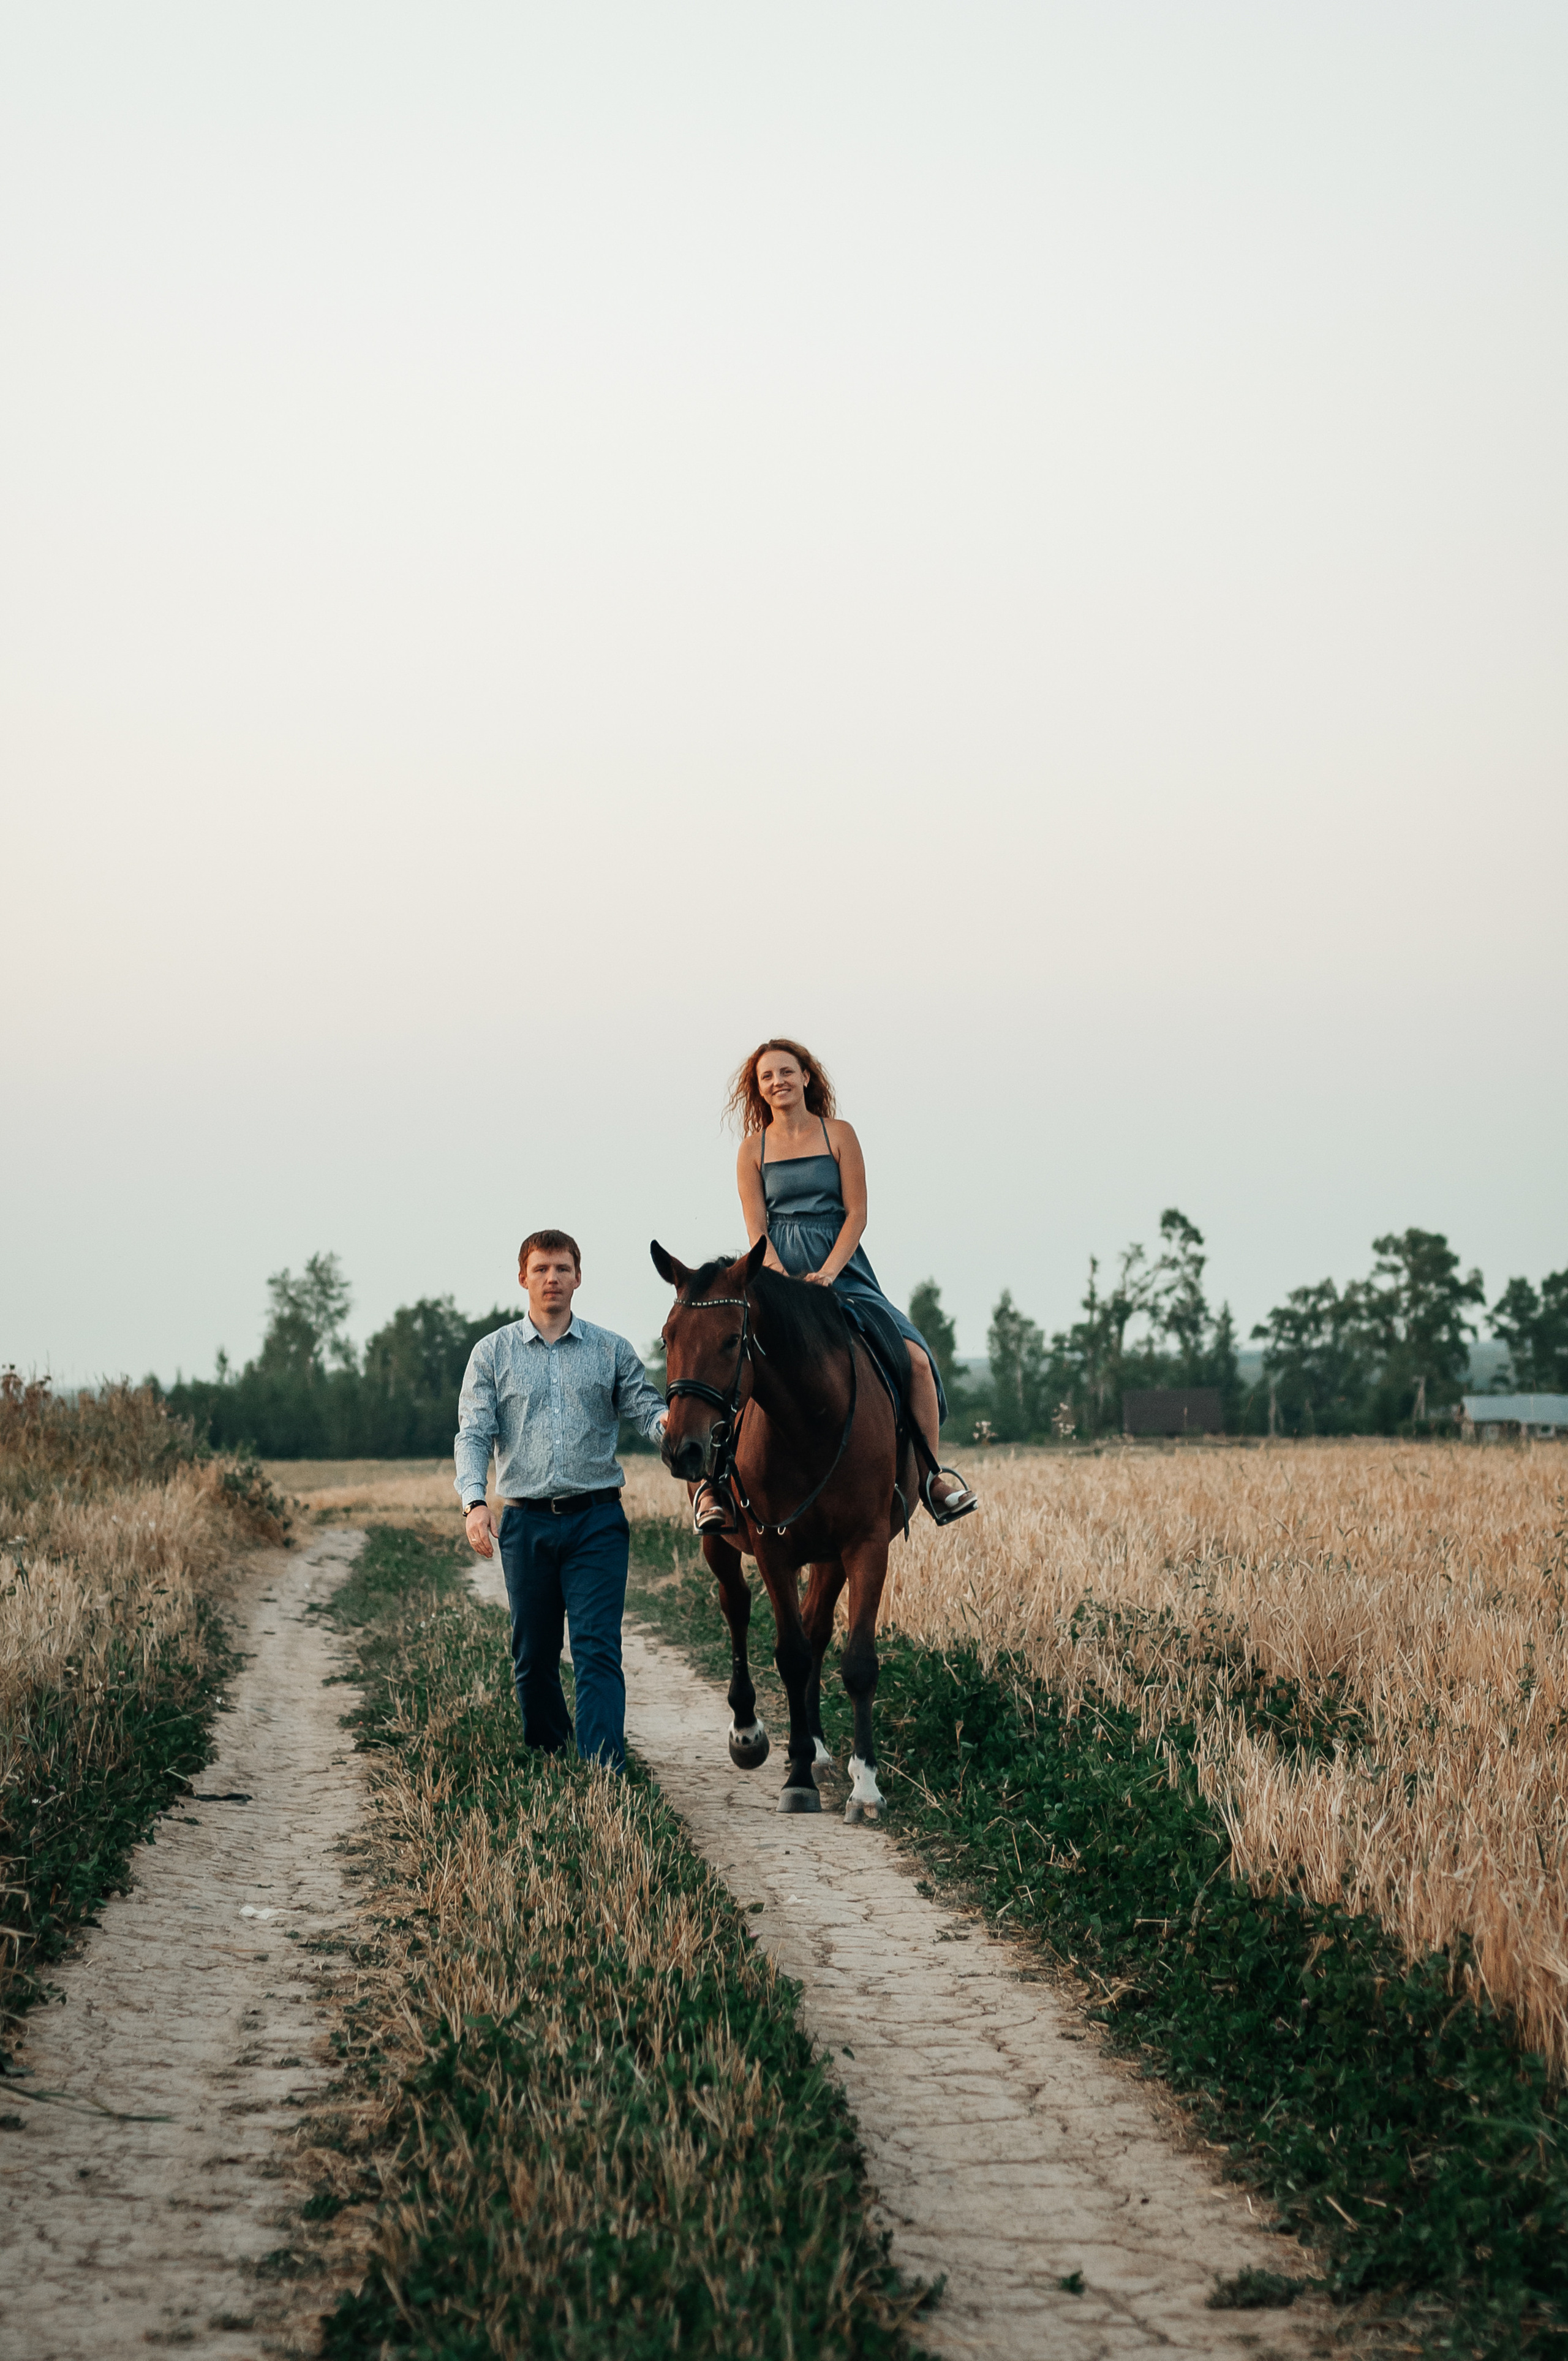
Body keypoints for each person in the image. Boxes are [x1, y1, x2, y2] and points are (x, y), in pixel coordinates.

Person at [691, 1037, 978, 1533]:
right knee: (734, 1359)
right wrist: (782, 1278)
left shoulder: (839, 1134)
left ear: (806, 1077)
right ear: (759, 1089)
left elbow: (857, 1214)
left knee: (915, 1359)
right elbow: (757, 1228)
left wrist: (827, 1273)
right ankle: (714, 1484)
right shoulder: (753, 1149)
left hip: (843, 1269)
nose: (778, 1082)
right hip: (777, 1274)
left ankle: (932, 1478)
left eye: (786, 1072)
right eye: (767, 1077)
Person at [455, 1228, 668, 1771]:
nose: (553, 1278)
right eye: (542, 1269)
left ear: (578, 1278)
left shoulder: (611, 1350)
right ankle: (550, 1753)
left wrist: (675, 1428)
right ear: (523, 1277)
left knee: (597, 1648)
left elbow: (647, 1410)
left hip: (597, 1521)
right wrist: (474, 1501)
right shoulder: (492, 1353)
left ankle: (603, 1765)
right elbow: (473, 1433)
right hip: (525, 1524)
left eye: (563, 1269)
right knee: (534, 1654)